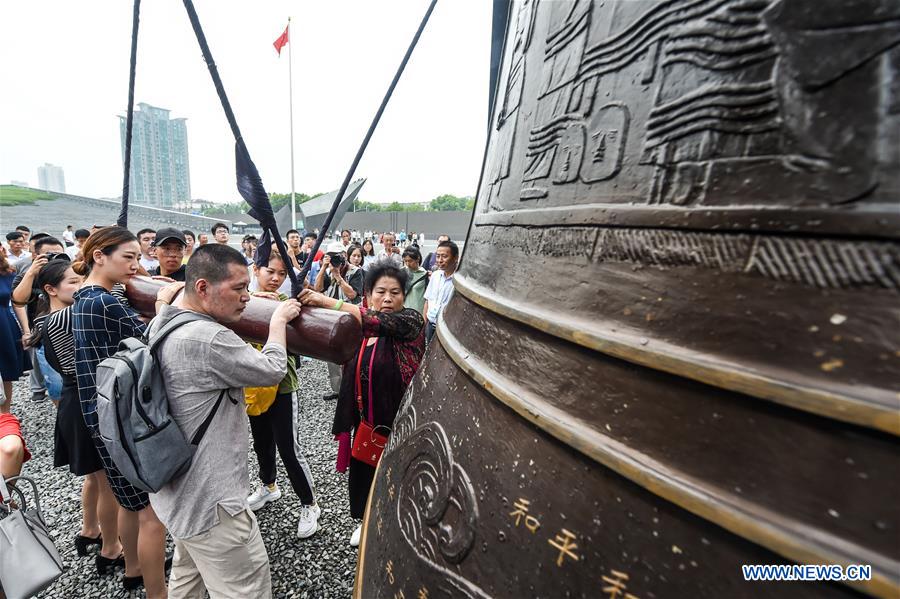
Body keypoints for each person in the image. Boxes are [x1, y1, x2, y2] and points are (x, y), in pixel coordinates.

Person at [148, 243, 300, 598]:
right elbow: (273, 369)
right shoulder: (209, 338)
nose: (247, 297)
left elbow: (164, 306)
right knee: (244, 590)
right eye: (238, 288)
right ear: (202, 288)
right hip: (214, 505)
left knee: (187, 582)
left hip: (177, 495)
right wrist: (276, 320)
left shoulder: (164, 319)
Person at [72, 227, 175, 596]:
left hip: (98, 413)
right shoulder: (106, 303)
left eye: (137, 257)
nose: (136, 265)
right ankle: (157, 592)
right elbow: (151, 342)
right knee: (152, 515)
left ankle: (132, 569)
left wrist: (141, 277)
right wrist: (162, 304)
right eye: (127, 258)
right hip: (121, 417)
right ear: (99, 256)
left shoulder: (82, 297)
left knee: (128, 503)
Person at [298, 262, 425, 547]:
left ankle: (400, 525)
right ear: (369, 294)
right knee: (365, 472)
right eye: (381, 292)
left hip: (401, 420)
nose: (388, 298)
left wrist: (325, 299)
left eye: (395, 292)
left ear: (404, 296)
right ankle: (367, 522)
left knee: (399, 475)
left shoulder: (410, 323)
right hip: (366, 419)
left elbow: (376, 320)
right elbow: (320, 328)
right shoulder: (357, 328)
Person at [27, 259, 124, 563]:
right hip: (87, 403)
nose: (82, 287)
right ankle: (111, 549)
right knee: (109, 482)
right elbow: (116, 294)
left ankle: (89, 530)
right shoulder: (66, 318)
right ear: (50, 289)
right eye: (73, 282)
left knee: (95, 478)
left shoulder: (44, 320)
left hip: (73, 403)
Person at [245, 250, 319, 539]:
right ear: (256, 269)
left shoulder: (286, 304)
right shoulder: (243, 298)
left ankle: (310, 504)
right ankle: (268, 486)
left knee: (288, 448)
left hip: (282, 384)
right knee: (261, 441)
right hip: (251, 382)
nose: (276, 278)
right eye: (270, 272)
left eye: (281, 274)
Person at [11, 235, 67, 402]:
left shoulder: (70, 274)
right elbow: (18, 300)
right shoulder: (28, 274)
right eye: (50, 255)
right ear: (35, 256)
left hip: (67, 329)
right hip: (41, 331)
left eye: (59, 254)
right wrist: (32, 272)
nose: (55, 259)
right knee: (54, 382)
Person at [316, 242, 364, 401]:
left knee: (352, 353)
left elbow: (352, 295)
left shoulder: (356, 272)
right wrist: (324, 268)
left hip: (350, 318)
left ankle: (353, 388)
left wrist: (338, 277)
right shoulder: (327, 270)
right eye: (332, 255)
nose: (336, 259)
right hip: (331, 318)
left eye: (338, 255)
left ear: (344, 255)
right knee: (333, 353)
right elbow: (317, 289)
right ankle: (338, 389)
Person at [0, 247, 27, 407]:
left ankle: (5, 414)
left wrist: (26, 330)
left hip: (4, 325)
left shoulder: (8, 272)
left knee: (5, 371)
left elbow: (18, 303)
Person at [422, 240, 459, 343]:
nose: (440, 260)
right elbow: (428, 300)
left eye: (444, 256)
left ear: (456, 257)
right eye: (438, 256)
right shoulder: (435, 275)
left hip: (447, 329)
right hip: (430, 325)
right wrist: (424, 324)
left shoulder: (459, 280)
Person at [401, 247, 429, 314]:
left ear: (418, 259)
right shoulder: (401, 272)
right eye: (405, 261)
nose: (407, 264)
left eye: (410, 261)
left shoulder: (425, 274)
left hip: (418, 311)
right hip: (403, 310)